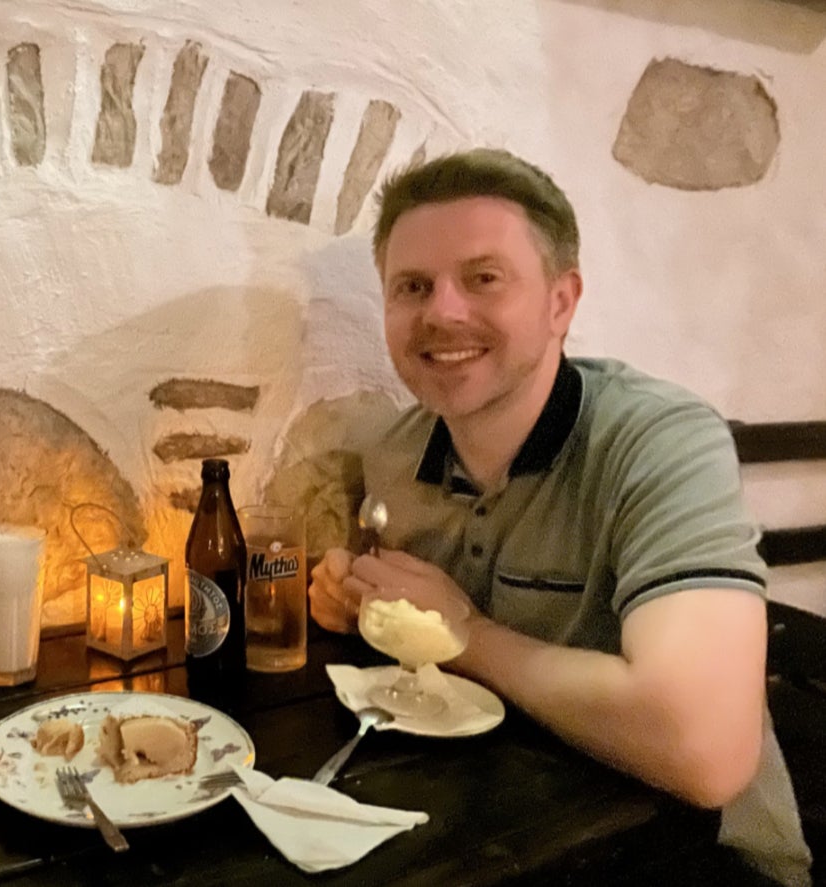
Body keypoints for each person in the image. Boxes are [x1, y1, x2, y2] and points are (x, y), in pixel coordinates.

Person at [308, 148, 812, 886]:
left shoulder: (659, 441)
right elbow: (417, 644)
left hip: (699, 856)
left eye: (482, 278)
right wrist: (357, 603)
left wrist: (464, 634)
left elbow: (704, 752)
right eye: (411, 286)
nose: (441, 311)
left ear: (559, 302)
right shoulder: (392, 452)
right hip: (504, 837)